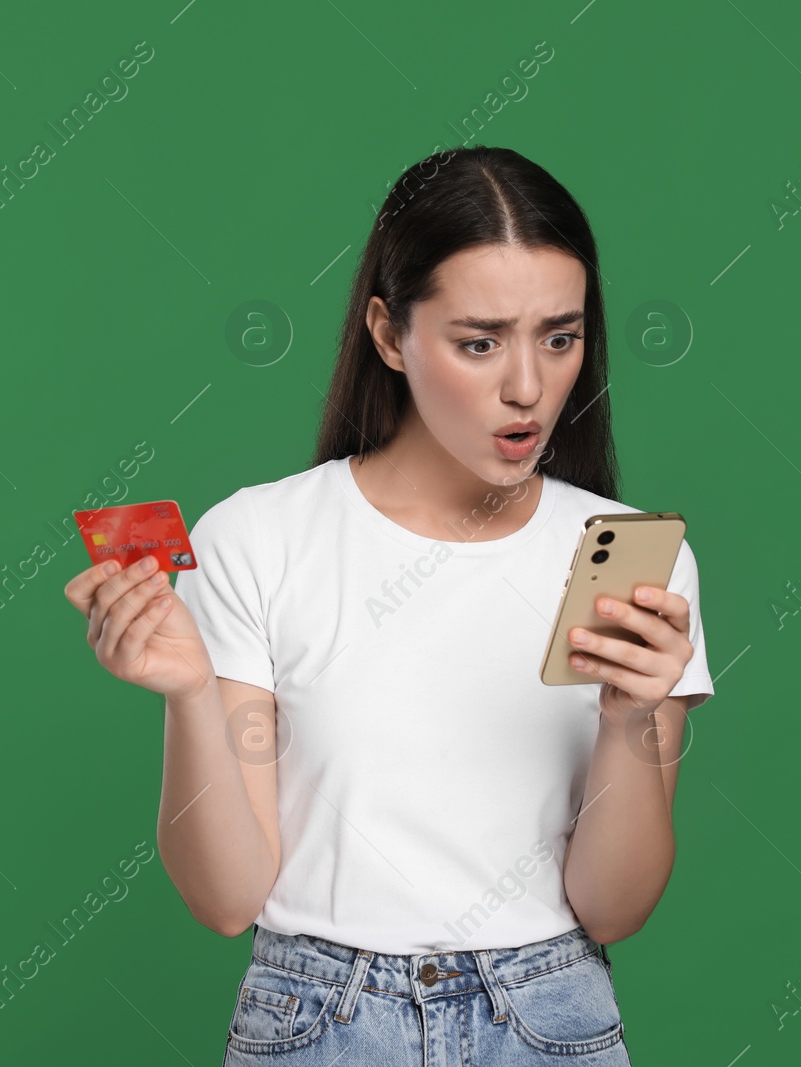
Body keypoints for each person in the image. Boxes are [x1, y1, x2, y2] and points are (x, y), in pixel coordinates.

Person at [65, 145, 714, 1065]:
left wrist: (630, 719)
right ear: (387, 331)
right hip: (318, 1020)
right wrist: (189, 693)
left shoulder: (635, 563)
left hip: (550, 1016)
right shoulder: (259, 538)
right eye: (480, 341)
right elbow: (226, 900)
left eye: (559, 337)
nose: (527, 386)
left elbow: (616, 907)